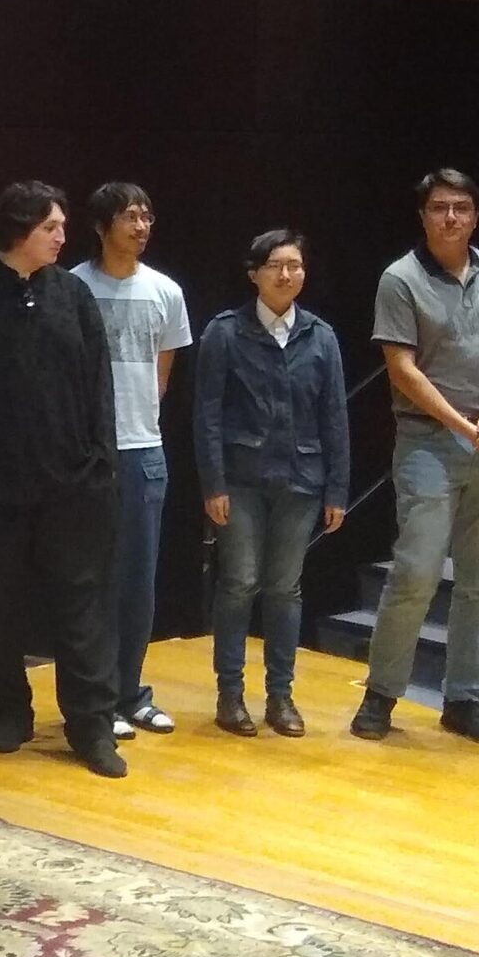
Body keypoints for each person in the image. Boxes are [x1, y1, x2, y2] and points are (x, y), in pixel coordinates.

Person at [0, 181, 127, 779]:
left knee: (81, 608)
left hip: (71, 481)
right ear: (19, 229)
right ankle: (3, 714)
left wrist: (101, 457)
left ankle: (91, 724)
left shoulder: (72, 295)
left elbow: (98, 380)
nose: (62, 236)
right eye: (51, 226)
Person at [356, 169, 479, 745]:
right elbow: (402, 370)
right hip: (428, 443)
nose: (451, 217)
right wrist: (465, 424)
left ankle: (462, 699)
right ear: (423, 215)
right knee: (415, 571)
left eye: (461, 207)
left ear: (476, 216)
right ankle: (381, 695)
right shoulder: (400, 279)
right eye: (439, 207)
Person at [193, 230, 349, 739]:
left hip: (302, 480)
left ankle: (281, 696)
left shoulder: (320, 336)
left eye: (296, 265)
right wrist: (212, 483)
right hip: (239, 480)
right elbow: (207, 415)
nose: (287, 275)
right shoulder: (225, 331)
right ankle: (229, 693)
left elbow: (335, 419)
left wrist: (337, 490)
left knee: (285, 588)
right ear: (254, 273)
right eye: (276, 265)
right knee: (238, 583)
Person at [68, 182, 192, 740]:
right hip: (89, 453)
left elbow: (160, 378)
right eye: (129, 217)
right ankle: (95, 698)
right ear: (102, 226)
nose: (141, 227)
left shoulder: (166, 291)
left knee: (139, 581)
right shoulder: (73, 287)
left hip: (144, 450)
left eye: (147, 216)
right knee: (94, 579)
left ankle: (131, 692)